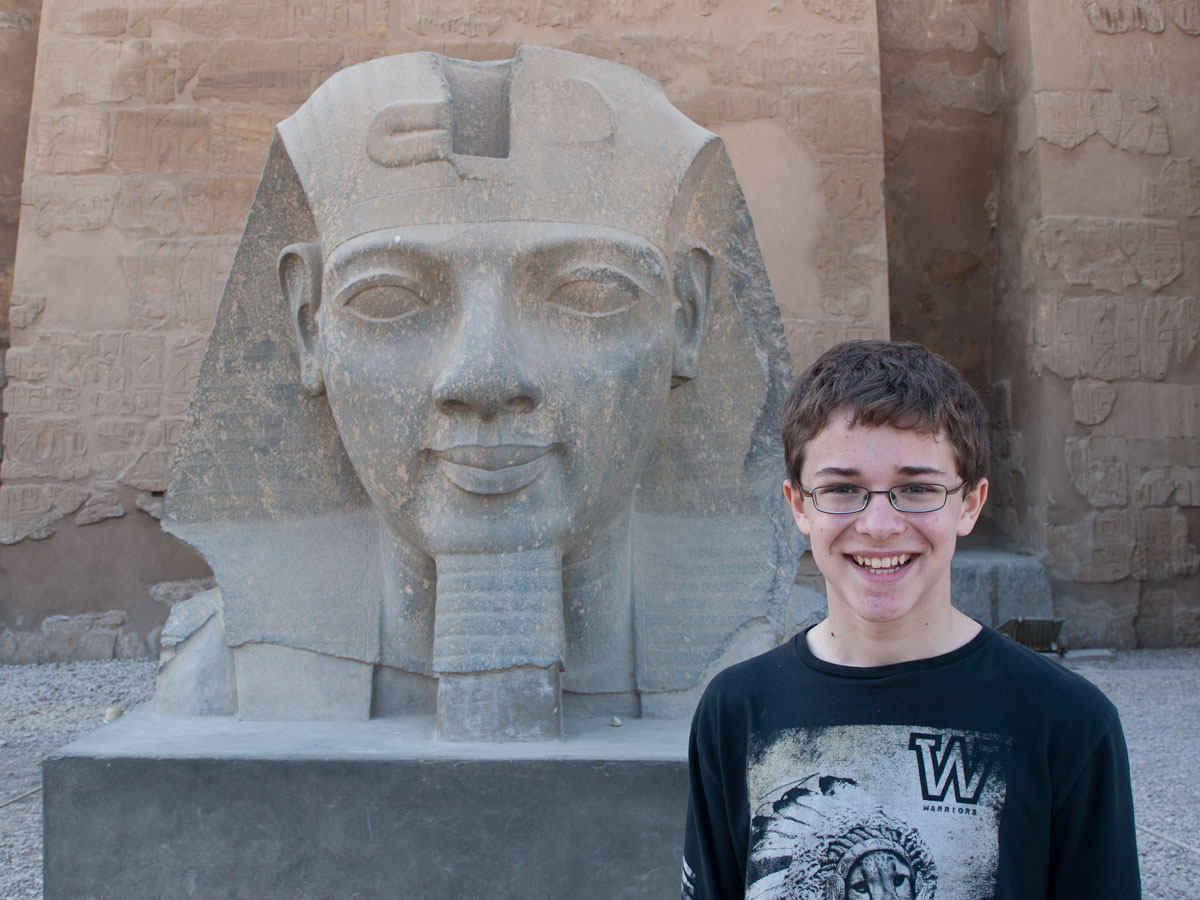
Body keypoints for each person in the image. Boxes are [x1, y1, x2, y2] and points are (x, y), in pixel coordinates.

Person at [681, 340, 1140, 899]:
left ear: (969, 504)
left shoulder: (1068, 722)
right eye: (842, 488)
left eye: (917, 489)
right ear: (799, 505)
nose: (878, 525)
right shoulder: (735, 710)